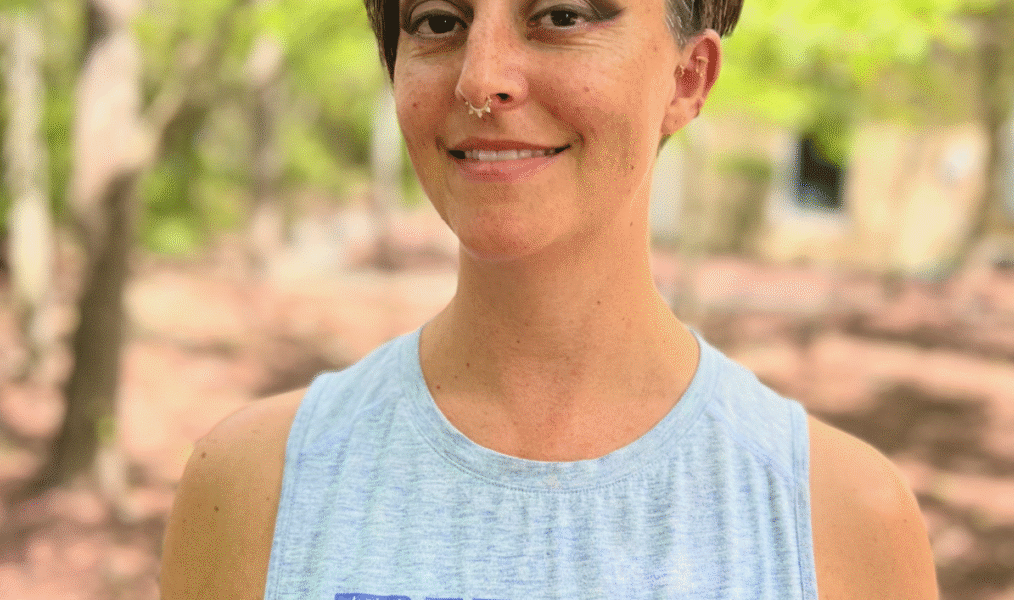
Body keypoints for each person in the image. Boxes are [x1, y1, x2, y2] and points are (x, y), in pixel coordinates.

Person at [160, 0, 939, 595]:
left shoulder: (841, 519)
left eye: (561, 15)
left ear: (686, 79)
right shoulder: (253, 487)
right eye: (437, 21)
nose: (481, 78)